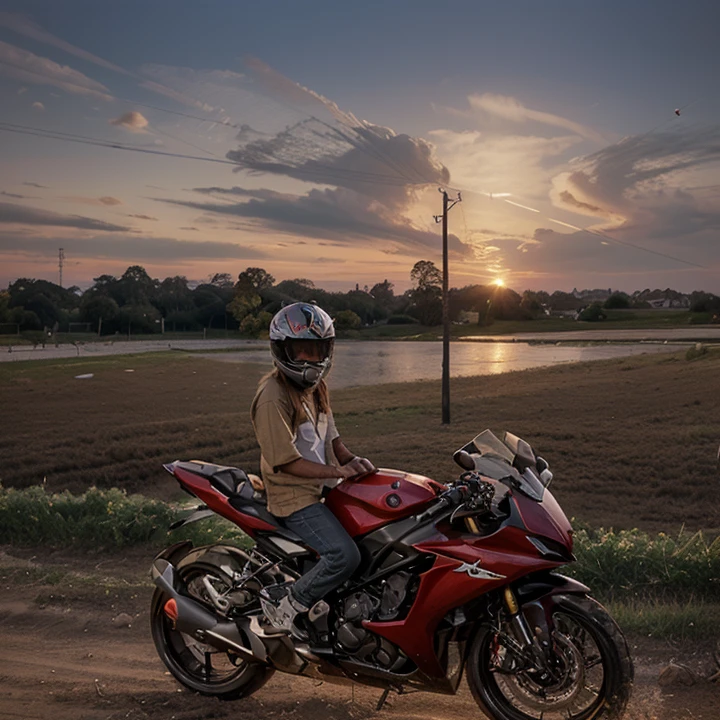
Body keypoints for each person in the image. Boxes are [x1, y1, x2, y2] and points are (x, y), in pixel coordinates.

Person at [251, 302, 374, 635]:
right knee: (344, 556)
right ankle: (287, 606)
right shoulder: (273, 396)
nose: (309, 358)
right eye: (301, 350)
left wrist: (350, 460)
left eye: (316, 349)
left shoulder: (316, 387)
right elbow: (285, 461)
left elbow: (330, 434)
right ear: (282, 349)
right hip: (293, 499)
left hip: (320, 491)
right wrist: (337, 474)